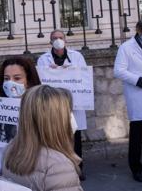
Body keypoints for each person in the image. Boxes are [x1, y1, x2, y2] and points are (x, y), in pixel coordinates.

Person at [2, 85, 82, 191]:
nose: (72, 118)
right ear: (57, 121)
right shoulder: (59, 166)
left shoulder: (11, 149)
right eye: (68, 113)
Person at [37, 29, 88, 180]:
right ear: (50, 42)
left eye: (60, 37)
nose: (58, 40)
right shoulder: (43, 60)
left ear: (65, 40)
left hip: (74, 103)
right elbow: (41, 81)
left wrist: (70, 70)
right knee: (56, 137)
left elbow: (84, 75)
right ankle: (58, 170)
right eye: (54, 38)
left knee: (75, 137)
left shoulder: (76, 57)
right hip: (55, 105)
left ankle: (78, 169)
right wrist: (52, 72)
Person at [114, 18, 142, 183]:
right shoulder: (126, 48)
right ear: (139, 30)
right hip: (138, 94)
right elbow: (119, 71)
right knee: (137, 135)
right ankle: (136, 169)